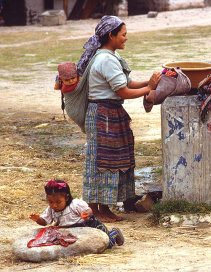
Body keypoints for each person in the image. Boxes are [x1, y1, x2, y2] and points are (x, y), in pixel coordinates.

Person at [76, 15, 161, 222]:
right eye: (123, 35)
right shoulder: (106, 60)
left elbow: (128, 83)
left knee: (109, 160)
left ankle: (102, 209)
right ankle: (97, 210)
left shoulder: (109, 57)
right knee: (103, 161)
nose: (126, 38)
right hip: (104, 115)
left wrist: (149, 83)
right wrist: (148, 88)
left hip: (108, 113)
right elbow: (123, 91)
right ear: (111, 35)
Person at [29, 179, 124, 248]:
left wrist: (86, 213)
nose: (54, 205)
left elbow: (89, 210)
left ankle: (114, 232)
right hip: (73, 231)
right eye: (50, 202)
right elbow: (44, 222)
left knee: (107, 243)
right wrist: (37, 219)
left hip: (91, 225)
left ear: (66, 198)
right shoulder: (50, 209)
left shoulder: (75, 204)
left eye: (58, 202)